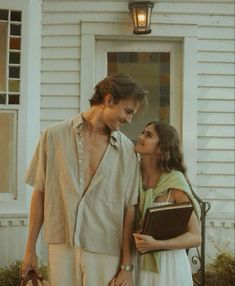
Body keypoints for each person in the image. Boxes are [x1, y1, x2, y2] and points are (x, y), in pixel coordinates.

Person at [21, 73, 148, 286]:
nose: (129, 120)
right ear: (108, 100)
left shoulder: (127, 150)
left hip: (106, 249)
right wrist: (29, 250)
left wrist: (126, 266)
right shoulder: (53, 136)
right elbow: (40, 193)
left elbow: (129, 209)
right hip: (62, 245)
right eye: (127, 111)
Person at [133, 121, 202, 286]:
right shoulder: (132, 178)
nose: (140, 137)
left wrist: (157, 244)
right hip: (137, 262)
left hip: (169, 266)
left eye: (148, 135)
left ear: (161, 148)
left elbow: (195, 237)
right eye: (143, 132)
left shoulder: (174, 183)